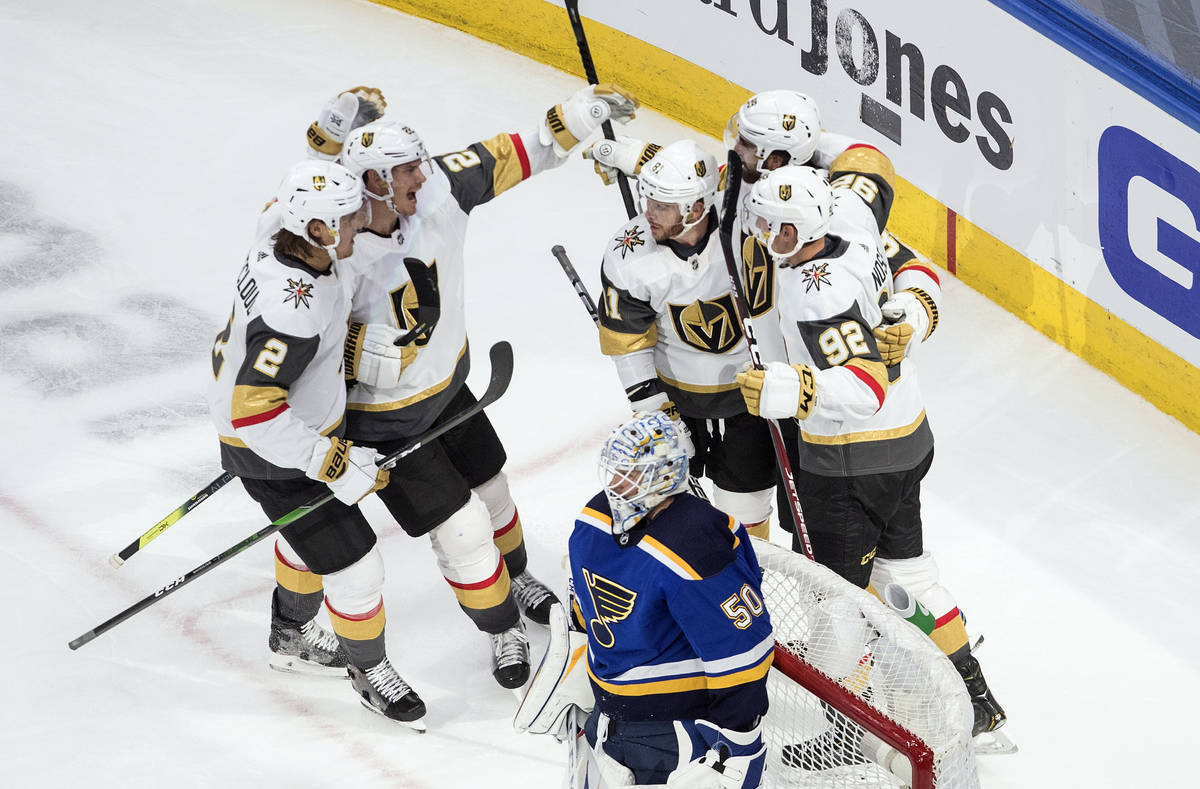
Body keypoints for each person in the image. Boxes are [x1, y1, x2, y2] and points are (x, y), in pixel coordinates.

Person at [322, 83, 640, 689]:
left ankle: (517, 575)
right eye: (407, 169)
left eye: (419, 163)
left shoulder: (435, 188)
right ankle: (500, 630)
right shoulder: (333, 247)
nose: (425, 174)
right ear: (371, 182)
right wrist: (354, 352)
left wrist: (573, 117)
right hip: (383, 419)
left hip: (449, 386)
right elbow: (304, 336)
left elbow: (510, 153)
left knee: (492, 491)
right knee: (464, 531)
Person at [733, 157, 1005, 739]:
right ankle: (977, 698)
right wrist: (910, 314)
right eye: (763, 224)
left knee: (837, 603)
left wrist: (793, 386)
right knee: (907, 574)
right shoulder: (853, 213)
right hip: (909, 442)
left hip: (850, 461)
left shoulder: (813, 293)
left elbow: (864, 388)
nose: (765, 238)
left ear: (807, 228)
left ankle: (848, 734)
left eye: (778, 229)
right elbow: (917, 269)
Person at [206, 160, 426, 727]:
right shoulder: (292, 311)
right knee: (356, 568)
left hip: (282, 426)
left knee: (310, 545)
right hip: (271, 451)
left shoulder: (279, 222)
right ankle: (368, 669)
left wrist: (331, 134)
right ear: (319, 232)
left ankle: (290, 632)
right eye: (347, 220)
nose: (358, 224)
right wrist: (327, 460)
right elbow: (255, 413)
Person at [517, 411, 773, 787]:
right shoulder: (677, 534)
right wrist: (741, 741)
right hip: (637, 726)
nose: (619, 485)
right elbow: (742, 653)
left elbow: (737, 653)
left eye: (633, 474)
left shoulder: (613, 520)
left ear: (666, 474)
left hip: (654, 728)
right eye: (616, 471)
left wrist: (734, 736)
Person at [594, 139, 780, 541]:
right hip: (676, 402)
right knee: (671, 511)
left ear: (697, 209)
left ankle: (748, 580)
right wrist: (656, 411)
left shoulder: (746, 219)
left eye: (662, 206)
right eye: (648, 200)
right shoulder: (629, 255)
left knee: (744, 513)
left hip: (750, 395)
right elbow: (627, 342)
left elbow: (746, 170)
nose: (649, 214)